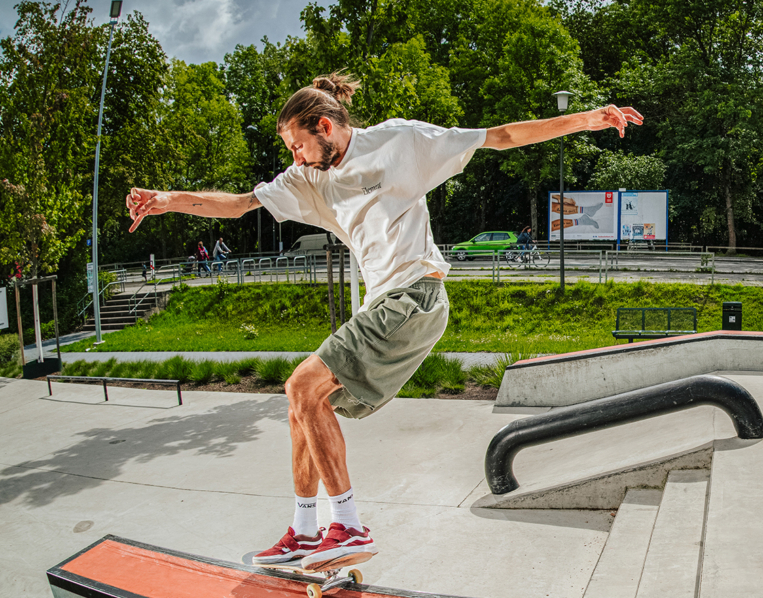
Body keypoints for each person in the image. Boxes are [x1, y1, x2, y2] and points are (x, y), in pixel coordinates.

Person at [126, 73, 642, 572]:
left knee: (302, 386)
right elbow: (241, 205)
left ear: (325, 127)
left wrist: (586, 119)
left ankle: (348, 526)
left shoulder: (401, 141)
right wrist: (167, 201)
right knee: (303, 407)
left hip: (416, 295)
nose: (295, 157)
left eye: (298, 145)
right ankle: (304, 530)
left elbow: (499, 136)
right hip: (384, 305)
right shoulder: (308, 178)